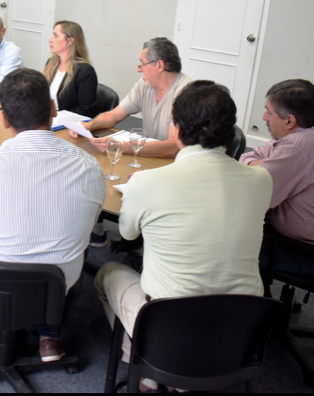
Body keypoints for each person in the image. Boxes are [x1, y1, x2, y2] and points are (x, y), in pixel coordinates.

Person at [95, 80, 272, 392]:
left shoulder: (148, 183)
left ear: (175, 130)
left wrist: (144, 190)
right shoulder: (261, 179)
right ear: (230, 131)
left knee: (107, 273)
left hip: (170, 326)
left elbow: (127, 233)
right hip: (241, 328)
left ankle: (152, 370)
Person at [0, 68, 106, 362]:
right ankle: (50, 336)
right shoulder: (89, 167)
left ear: (4, 118)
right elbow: (88, 231)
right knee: (74, 243)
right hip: (56, 289)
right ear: (52, 109)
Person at [240, 79, 314, 276]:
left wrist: (259, 163)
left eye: (269, 112)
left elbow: (253, 193)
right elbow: (260, 151)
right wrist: (264, 161)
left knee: (233, 245)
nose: (264, 117)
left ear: (289, 121)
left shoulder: (299, 147)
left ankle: (250, 304)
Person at [72, 37, 192, 158]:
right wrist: (88, 126)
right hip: (150, 155)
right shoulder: (145, 84)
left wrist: (122, 146)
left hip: (176, 162)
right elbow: (114, 115)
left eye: (142, 64)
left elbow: (174, 146)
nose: (138, 69)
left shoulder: (186, 93)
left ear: (160, 65)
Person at [44, 20, 98, 117]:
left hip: (67, 123)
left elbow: (85, 110)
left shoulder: (85, 71)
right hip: (48, 119)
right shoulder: (51, 64)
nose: (50, 39)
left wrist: (57, 117)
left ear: (69, 41)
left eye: (56, 36)